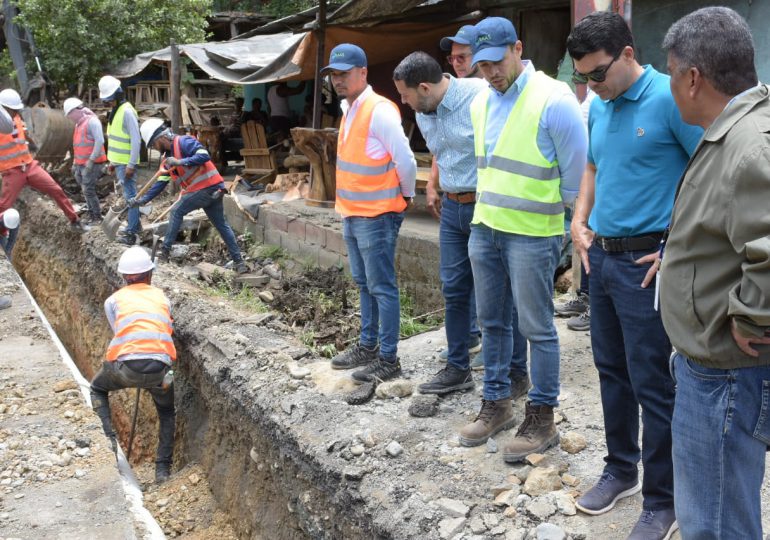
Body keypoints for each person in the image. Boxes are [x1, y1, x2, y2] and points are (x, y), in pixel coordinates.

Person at [566, 12, 703, 538]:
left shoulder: (671, 99)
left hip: (648, 265)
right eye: (583, 77)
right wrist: (580, 219)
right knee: (610, 370)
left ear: (627, 54)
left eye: (598, 73)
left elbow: (704, 173)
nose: (592, 86)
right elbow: (594, 167)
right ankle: (620, 469)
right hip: (602, 257)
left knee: (652, 381)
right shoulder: (600, 106)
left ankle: (663, 500)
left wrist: (676, 248)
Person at [661, 7, 769, 539]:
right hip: (710, 364)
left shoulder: (749, 145)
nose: (670, 85)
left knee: (716, 518)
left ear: (693, 78)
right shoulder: (732, 131)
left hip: (725, 372)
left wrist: (753, 320)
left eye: (672, 72)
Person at [460, 17, 587, 461]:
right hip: (486, 228)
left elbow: (575, 177)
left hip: (533, 235)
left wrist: (568, 224)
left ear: (517, 49)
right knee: (492, 322)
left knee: (537, 329)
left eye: (496, 61)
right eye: (481, 66)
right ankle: (496, 403)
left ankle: (542, 418)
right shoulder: (480, 102)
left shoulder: (554, 99)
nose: (490, 72)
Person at [392, 52, 530, 398]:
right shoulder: (424, 110)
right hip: (452, 210)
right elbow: (443, 150)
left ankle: (517, 372)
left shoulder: (479, 95)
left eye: (406, 95)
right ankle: (457, 368)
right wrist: (434, 184)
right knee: (454, 289)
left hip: (487, 207)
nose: (403, 102)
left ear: (424, 87)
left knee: (501, 295)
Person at [323, 44, 416, 387]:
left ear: (363, 73)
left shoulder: (378, 110)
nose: (338, 80)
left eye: (344, 74)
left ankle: (388, 358)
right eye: (334, 75)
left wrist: (405, 195)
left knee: (382, 286)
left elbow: (405, 160)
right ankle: (367, 346)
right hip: (354, 213)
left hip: (377, 216)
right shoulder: (350, 109)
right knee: (365, 284)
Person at [90, 246, 175, 483]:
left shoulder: (113, 300)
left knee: (97, 388)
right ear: (150, 274)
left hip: (125, 370)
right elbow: (168, 328)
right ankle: (162, 470)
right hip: (163, 372)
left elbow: (120, 332)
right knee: (167, 411)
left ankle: (109, 443)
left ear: (124, 277)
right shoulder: (163, 298)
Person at [131, 119, 248, 274]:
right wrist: (143, 200)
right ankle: (240, 263)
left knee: (176, 211)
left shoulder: (184, 142)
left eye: (153, 144)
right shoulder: (168, 158)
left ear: (160, 138)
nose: (154, 148)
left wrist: (180, 161)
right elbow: (161, 182)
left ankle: (165, 253)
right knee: (222, 226)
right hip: (211, 189)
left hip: (207, 188)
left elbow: (204, 155)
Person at [0, 88, 87, 233]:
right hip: (12, 171)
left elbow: (23, 133)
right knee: (4, 206)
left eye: (16, 109)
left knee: (56, 190)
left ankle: (75, 221)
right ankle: (3, 235)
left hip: (29, 166)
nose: (15, 112)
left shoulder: (16, 118)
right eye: (12, 110)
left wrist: (31, 142)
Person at [555, 87, 596, 332]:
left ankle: (594, 306)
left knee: (595, 245)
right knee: (584, 243)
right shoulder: (595, 98)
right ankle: (584, 297)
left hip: (599, 181)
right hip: (586, 178)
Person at [99, 75, 142, 245]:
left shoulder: (127, 111)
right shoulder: (116, 112)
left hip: (126, 164)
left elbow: (136, 139)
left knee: (131, 197)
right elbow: (116, 140)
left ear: (117, 94)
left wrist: (131, 164)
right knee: (128, 195)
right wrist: (113, 162)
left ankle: (131, 232)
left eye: (109, 99)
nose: (108, 103)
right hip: (119, 163)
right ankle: (135, 227)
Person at [64, 97, 106, 224]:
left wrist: (91, 161)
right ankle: (91, 212)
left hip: (92, 163)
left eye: (69, 114)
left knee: (88, 189)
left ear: (76, 110)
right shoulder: (79, 124)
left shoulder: (92, 121)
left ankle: (97, 217)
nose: (69, 117)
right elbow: (78, 145)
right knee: (85, 189)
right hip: (80, 163)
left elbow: (100, 141)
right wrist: (75, 163)